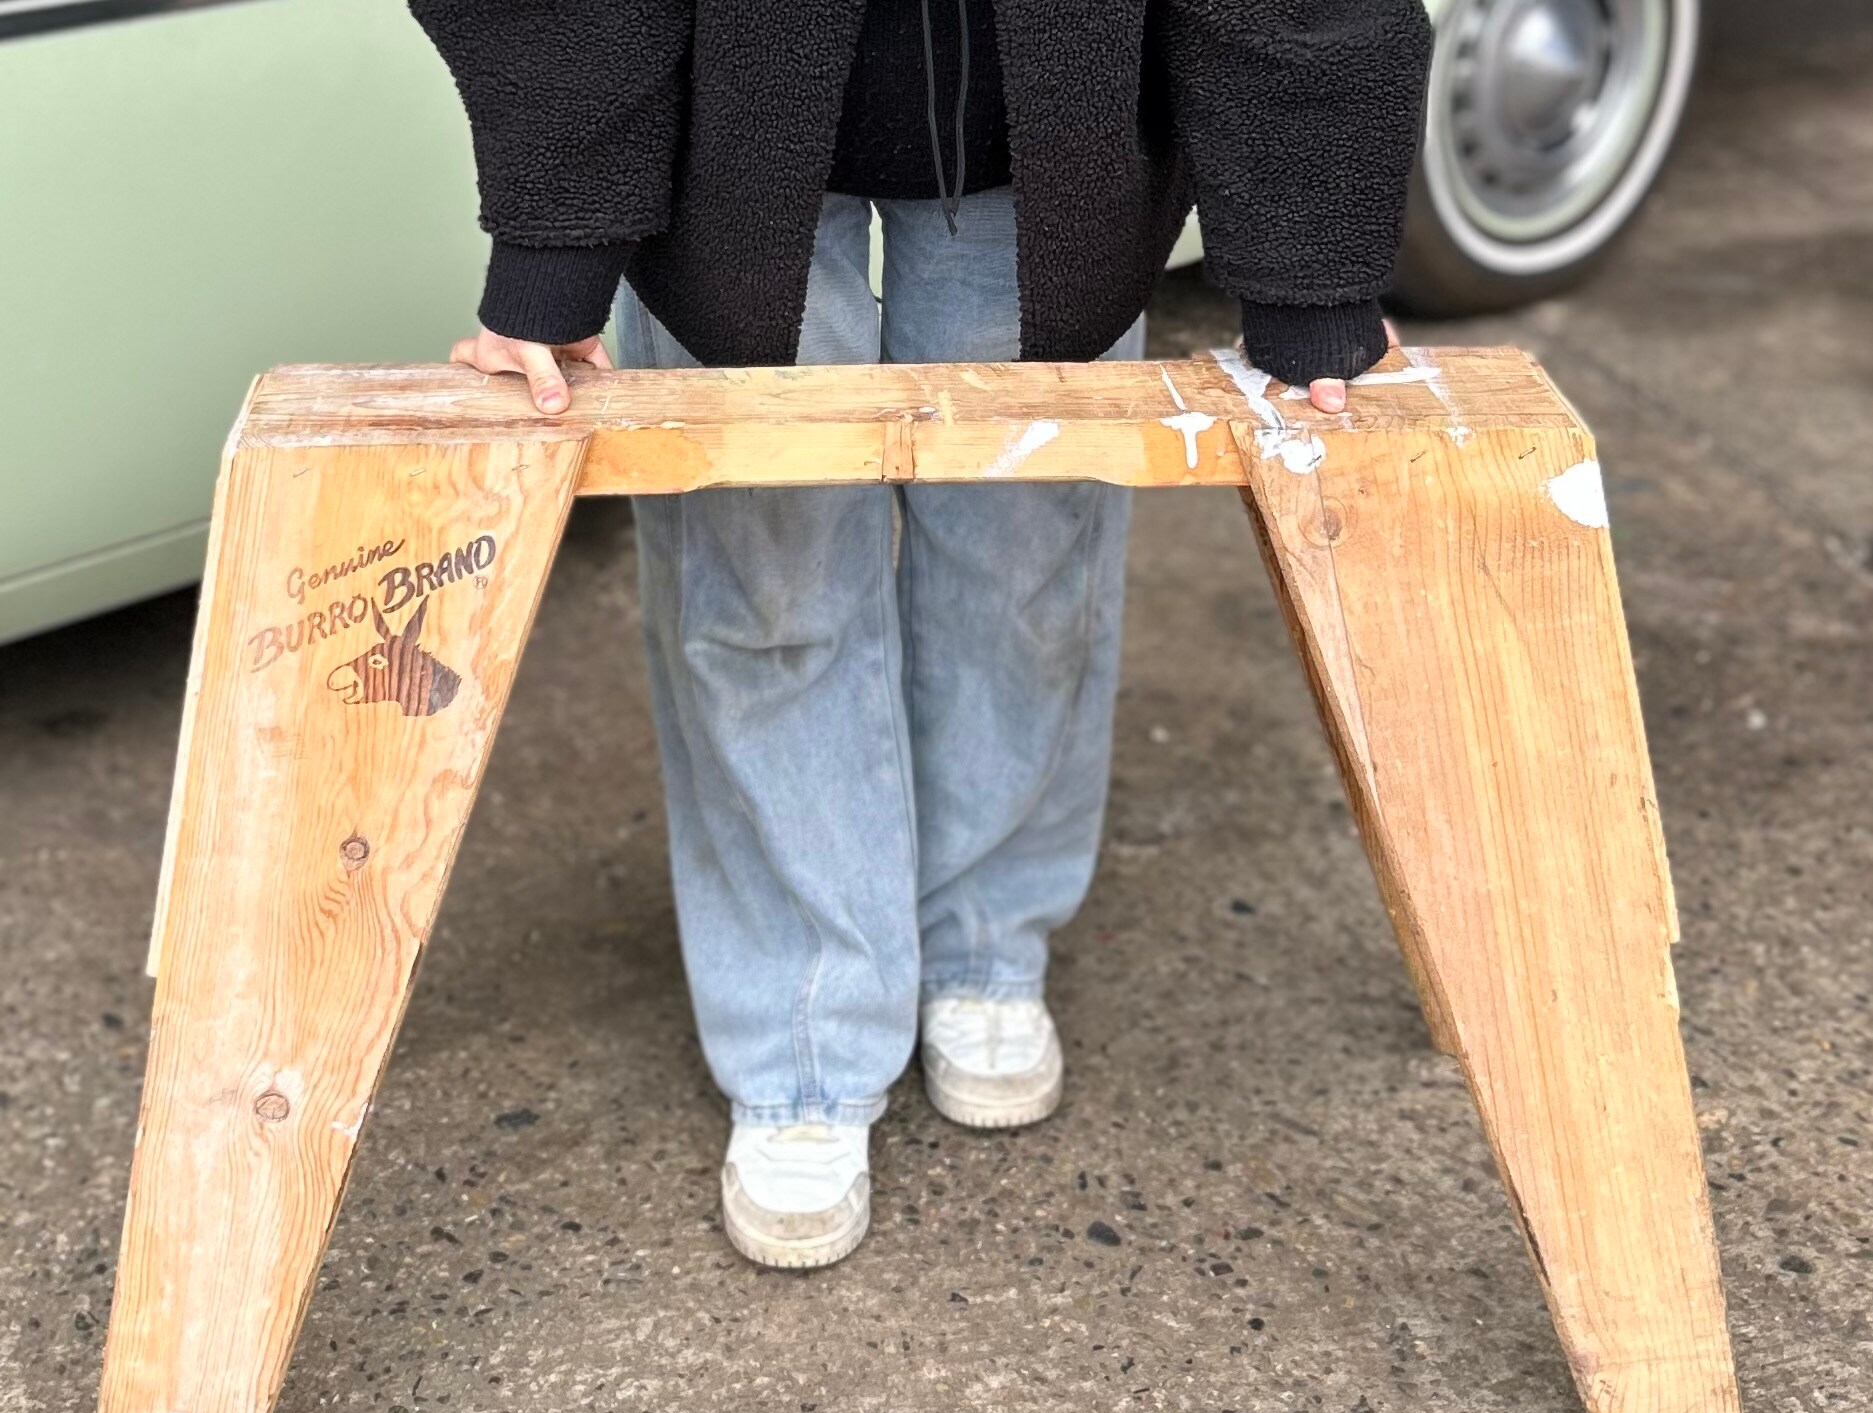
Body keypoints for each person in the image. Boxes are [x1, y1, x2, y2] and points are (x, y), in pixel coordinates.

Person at [411, 0, 1433, 1269]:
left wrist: (1307, 263)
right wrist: (555, 242)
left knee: (1024, 566)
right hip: (723, 131)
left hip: (1050, 135)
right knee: (762, 584)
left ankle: (986, 947)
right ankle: (801, 1032)